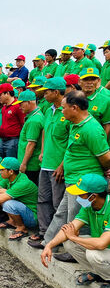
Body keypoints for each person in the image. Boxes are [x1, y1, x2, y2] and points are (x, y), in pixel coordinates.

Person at [43, 91, 110, 262]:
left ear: (74, 108)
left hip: (84, 182)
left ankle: (75, 251)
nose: (61, 111)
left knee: (76, 216)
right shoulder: (75, 123)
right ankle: (49, 243)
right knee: (62, 213)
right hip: (73, 180)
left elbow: (105, 157)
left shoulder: (92, 129)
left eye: (64, 108)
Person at [41, 174, 110, 288]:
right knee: (69, 243)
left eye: (81, 194)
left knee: (92, 253)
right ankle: (98, 273)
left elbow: (101, 244)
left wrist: (73, 237)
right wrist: (49, 245)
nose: (78, 197)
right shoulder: (89, 206)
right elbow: (70, 228)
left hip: (104, 248)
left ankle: (108, 279)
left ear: (93, 196)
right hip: (106, 251)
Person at [29, 77, 70, 249]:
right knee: (43, 200)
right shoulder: (48, 110)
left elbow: (72, 142)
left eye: (46, 92)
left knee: (58, 204)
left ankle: (59, 240)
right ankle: (45, 233)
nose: (43, 95)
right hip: (45, 164)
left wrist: (62, 165)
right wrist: (43, 150)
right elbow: (46, 131)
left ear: (56, 92)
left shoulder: (68, 112)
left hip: (58, 167)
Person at [0, 157, 39, 240]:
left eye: (2, 170)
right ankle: (12, 221)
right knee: (5, 199)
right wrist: (6, 191)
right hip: (24, 211)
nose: (0, 172)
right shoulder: (10, 178)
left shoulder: (22, 183)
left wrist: (2, 191)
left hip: (32, 217)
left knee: (8, 203)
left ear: (11, 171)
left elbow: (0, 198)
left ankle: (22, 228)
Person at [15, 90, 44, 185]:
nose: (19, 107)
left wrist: (23, 164)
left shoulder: (34, 120)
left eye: (21, 104)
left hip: (30, 165)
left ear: (29, 102)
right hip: (29, 163)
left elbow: (31, 144)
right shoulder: (33, 117)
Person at [0, 83, 25, 158]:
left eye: (0, 95)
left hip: (13, 140)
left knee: (10, 165)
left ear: (7, 93)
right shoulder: (4, 108)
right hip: (3, 140)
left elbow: (23, 124)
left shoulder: (17, 106)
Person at [79, 67, 110, 136]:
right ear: (79, 82)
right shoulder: (74, 99)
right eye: (85, 79)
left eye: (93, 79)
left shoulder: (105, 101)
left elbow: (107, 126)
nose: (89, 82)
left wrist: (101, 143)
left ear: (98, 81)